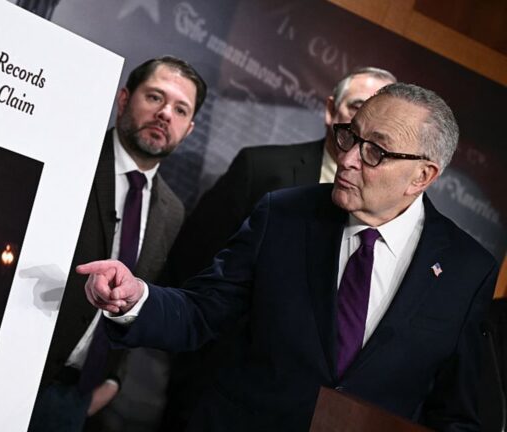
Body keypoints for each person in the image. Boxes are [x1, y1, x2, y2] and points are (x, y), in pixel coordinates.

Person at [79, 83, 498, 431]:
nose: (348, 159)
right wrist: (136, 298)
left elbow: (457, 412)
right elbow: (202, 311)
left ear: (422, 176)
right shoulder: (284, 214)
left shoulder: (467, 271)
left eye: (375, 151)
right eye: (350, 137)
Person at [29, 56, 206, 432]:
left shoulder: (172, 211)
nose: (165, 114)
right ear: (124, 99)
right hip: (12, 370)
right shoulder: (71, 157)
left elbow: (135, 299)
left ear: (189, 129)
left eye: (180, 110)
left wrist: (114, 378)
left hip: (75, 398)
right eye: (155, 97)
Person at [165, 67, 397, 287]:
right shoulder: (259, 168)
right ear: (330, 110)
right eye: (358, 107)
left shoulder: (395, 203)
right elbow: (194, 258)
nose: (366, 123)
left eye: (382, 116)